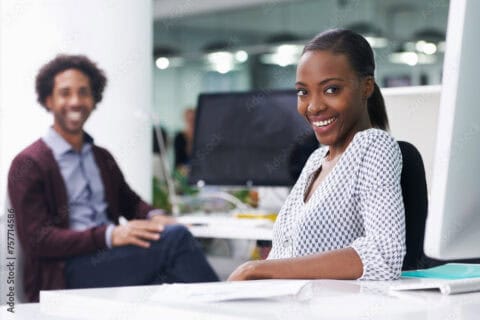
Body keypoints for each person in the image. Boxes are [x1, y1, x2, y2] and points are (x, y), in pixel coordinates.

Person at [8, 54, 218, 302]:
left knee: (173, 275)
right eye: (65, 93)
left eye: (83, 92)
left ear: (93, 99)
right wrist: (109, 235)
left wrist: (154, 216)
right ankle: (231, 310)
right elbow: (37, 240)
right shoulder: (30, 163)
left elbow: (130, 202)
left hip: (110, 258)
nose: (75, 101)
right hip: (64, 273)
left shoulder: (100, 156)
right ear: (48, 100)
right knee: (176, 243)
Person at [228, 29, 406, 281]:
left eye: (331, 89)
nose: (313, 106)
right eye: (303, 92)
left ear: (366, 87)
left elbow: (383, 255)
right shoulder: (316, 160)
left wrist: (257, 268)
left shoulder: (373, 146)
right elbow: (284, 254)